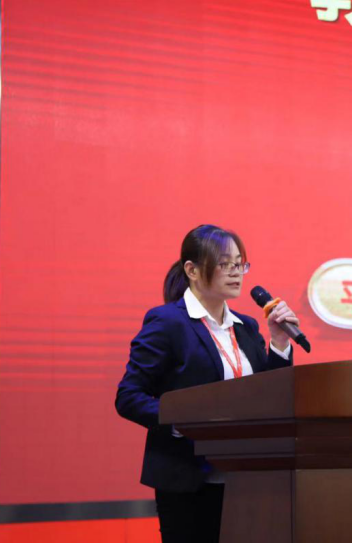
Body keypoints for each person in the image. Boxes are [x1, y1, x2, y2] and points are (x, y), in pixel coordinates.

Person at [115, 224, 299, 543]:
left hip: (248, 480)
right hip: (189, 482)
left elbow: (273, 394)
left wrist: (279, 342)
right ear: (192, 270)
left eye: (239, 264)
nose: (236, 272)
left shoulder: (246, 327)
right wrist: (184, 422)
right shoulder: (168, 322)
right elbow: (128, 396)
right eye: (225, 264)